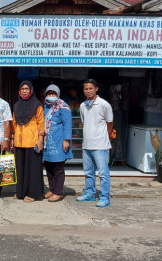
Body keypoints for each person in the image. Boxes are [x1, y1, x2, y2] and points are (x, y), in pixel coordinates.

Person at [76, 79, 114, 208]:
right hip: (87, 144)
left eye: (90, 88)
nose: (88, 91)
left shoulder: (104, 105)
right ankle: (89, 193)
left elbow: (110, 123)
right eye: (86, 89)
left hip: (100, 145)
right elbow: (84, 122)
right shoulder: (82, 105)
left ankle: (105, 197)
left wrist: (105, 136)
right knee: (88, 172)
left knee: (103, 173)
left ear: (96, 88)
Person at [11, 80, 44, 203]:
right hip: (19, 142)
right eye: (22, 89)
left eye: (27, 88)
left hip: (33, 141)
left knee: (33, 169)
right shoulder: (16, 105)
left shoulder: (37, 105)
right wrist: (12, 138)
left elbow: (41, 123)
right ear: (19, 91)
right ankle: (21, 192)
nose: (24, 90)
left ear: (31, 90)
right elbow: (14, 123)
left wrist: (40, 140)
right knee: (20, 168)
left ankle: (33, 193)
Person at [42, 84, 73, 202]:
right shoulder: (45, 107)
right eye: (49, 94)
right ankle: (52, 189)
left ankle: (58, 192)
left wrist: (66, 140)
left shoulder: (63, 107)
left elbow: (67, 124)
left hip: (59, 142)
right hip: (47, 144)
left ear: (57, 95)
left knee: (58, 168)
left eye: (53, 94)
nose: (51, 96)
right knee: (49, 167)